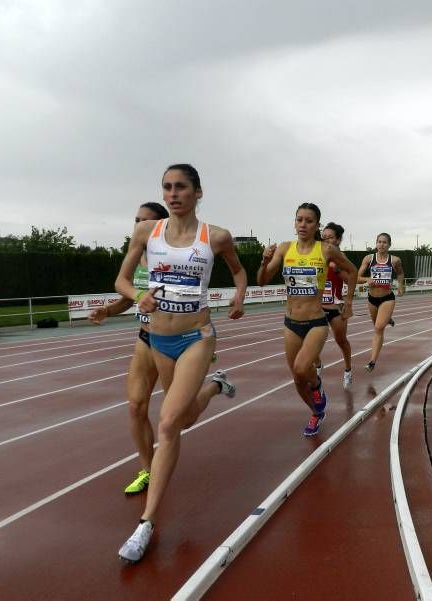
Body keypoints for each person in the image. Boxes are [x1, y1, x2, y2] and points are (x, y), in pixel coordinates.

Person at [114, 164, 247, 564]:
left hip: (196, 338)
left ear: (197, 192)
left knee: (169, 423)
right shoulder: (146, 233)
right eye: (167, 188)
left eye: (181, 188)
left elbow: (239, 272)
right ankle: (215, 386)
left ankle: (146, 524)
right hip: (159, 339)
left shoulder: (216, 237)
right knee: (184, 417)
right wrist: (140, 297)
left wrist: (239, 297)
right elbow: (121, 280)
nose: (173, 194)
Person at [88, 201, 176, 496]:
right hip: (145, 338)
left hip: (175, 341)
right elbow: (130, 297)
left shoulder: (174, 257)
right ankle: (149, 470)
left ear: (160, 226)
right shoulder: (136, 257)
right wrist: (110, 311)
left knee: (180, 416)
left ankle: (215, 385)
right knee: (136, 406)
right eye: (136, 220)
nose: (138, 226)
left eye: (145, 221)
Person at [257, 203, 358, 437]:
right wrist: (264, 261)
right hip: (291, 322)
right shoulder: (284, 249)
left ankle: (317, 386)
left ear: (317, 225)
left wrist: (349, 303)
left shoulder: (326, 250)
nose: (303, 224)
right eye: (299, 220)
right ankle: (316, 413)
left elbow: (351, 271)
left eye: (308, 221)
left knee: (303, 368)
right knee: (297, 377)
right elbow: (262, 280)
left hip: (316, 322)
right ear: (294, 222)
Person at [357, 233, 405, 372]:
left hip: (387, 298)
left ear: (389, 245)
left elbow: (400, 273)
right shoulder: (368, 259)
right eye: (379, 242)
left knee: (378, 328)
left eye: (384, 242)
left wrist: (401, 285)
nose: (381, 244)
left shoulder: (395, 260)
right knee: (377, 326)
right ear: (376, 244)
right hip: (372, 299)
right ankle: (387, 318)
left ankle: (372, 361)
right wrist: (367, 279)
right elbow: (357, 277)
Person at [315, 222, 354, 389]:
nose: (326, 240)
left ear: (337, 240)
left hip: (335, 307)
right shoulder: (316, 254)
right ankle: (317, 365)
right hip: (317, 306)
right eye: (323, 237)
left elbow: (348, 278)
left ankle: (348, 370)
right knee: (311, 340)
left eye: (329, 237)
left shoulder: (341, 256)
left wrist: (337, 269)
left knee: (341, 340)